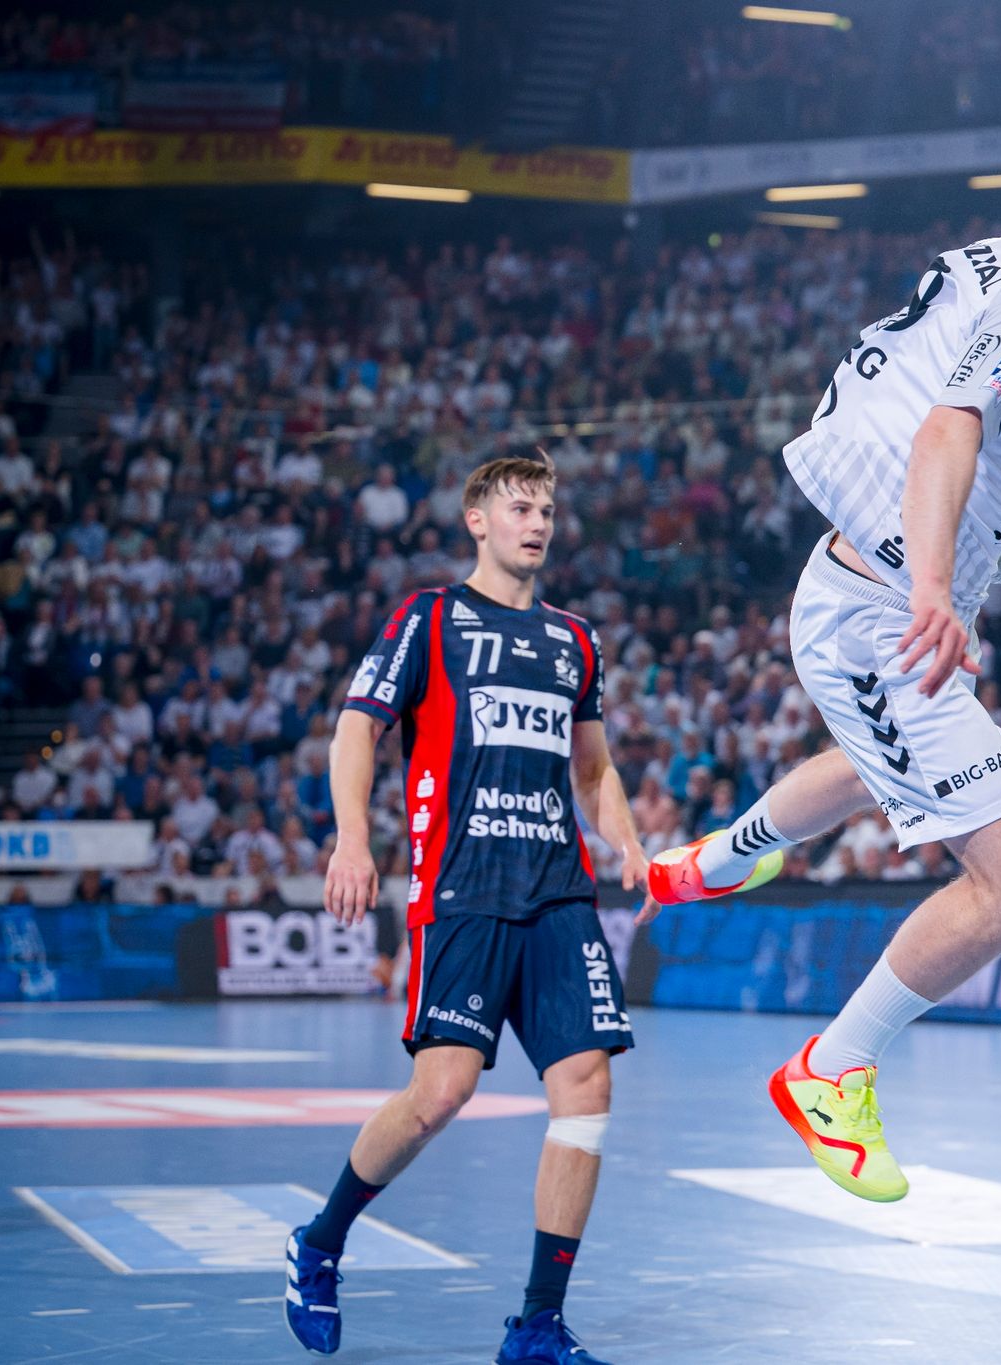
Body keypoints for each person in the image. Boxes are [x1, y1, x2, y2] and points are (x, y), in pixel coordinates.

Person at [641, 128, 1001, 1202]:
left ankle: (720, 859)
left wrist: (991, 532)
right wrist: (939, 589)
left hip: (874, 596)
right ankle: (829, 1071)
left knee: (864, 767)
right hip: (884, 613)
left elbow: (936, 413)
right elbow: (947, 428)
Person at [286, 456, 647, 1364]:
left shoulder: (576, 639)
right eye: (520, 506)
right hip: (462, 889)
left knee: (587, 1089)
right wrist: (352, 840)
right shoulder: (430, 616)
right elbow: (356, 727)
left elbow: (594, 769)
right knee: (441, 1092)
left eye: (549, 510)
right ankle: (319, 1242)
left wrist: (629, 843)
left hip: (560, 891)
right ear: (476, 519)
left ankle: (536, 1324)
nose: (539, 522)